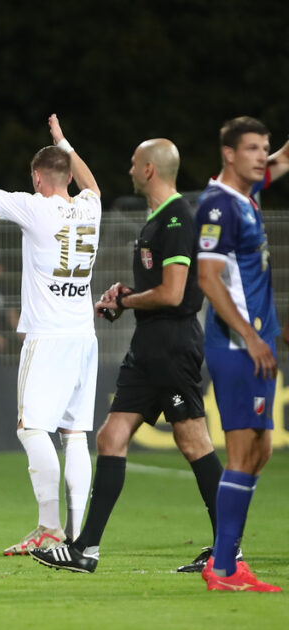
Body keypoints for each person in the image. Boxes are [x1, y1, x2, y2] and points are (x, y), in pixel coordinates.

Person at [31, 138, 224, 574]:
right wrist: (128, 296)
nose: (130, 169)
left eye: (135, 162)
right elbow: (159, 288)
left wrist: (126, 302)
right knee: (110, 436)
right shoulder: (155, 219)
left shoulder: (176, 218)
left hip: (173, 346)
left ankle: (228, 548)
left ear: (151, 170)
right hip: (149, 347)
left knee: (193, 442)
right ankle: (86, 550)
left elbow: (174, 293)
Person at [0, 114, 100, 556]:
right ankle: (73, 531)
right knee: (73, 435)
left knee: (31, 429)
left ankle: (50, 527)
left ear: (36, 177)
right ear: (69, 174)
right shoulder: (91, 207)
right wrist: (65, 142)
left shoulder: (37, 206)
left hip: (48, 336)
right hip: (83, 337)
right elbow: (92, 184)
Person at [192, 117, 289, 592]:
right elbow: (208, 279)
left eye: (264, 148)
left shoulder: (249, 195)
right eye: (252, 148)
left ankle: (227, 561)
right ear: (229, 154)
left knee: (260, 450)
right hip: (237, 346)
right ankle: (225, 567)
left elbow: (286, 159)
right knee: (241, 452)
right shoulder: (218, 206)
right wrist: (251, 338)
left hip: (260, 344)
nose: (262, 156)